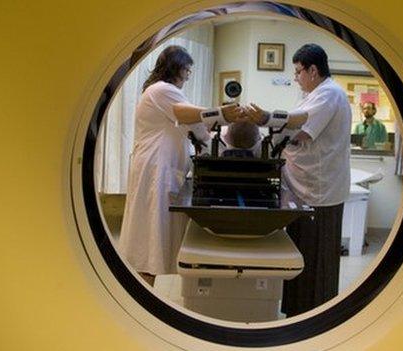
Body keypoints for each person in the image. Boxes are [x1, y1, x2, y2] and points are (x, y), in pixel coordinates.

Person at [118, 45, 244, 286]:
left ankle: (149, 282)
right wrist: (222, 113)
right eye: (186, 70)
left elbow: (198, 130)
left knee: (158, 234)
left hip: (162, 166)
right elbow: (186, 115)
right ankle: (144, 286)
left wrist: (226, 133)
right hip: (156, 168)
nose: (188, 75)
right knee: (151, 236)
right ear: (176, 68)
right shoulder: (162, 89)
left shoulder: (166, 92)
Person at [245, 43, 352, 317]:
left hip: (319, 191)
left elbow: (301, 131)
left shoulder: (329, 94)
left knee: (315, 260)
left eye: (298, 72)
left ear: (313, 70)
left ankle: (312, 315)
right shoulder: (314, 94)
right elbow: (293, 125)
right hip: (307, 187)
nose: (296, 78)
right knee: (301, 255)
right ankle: (297, 310)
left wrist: (266, 119)